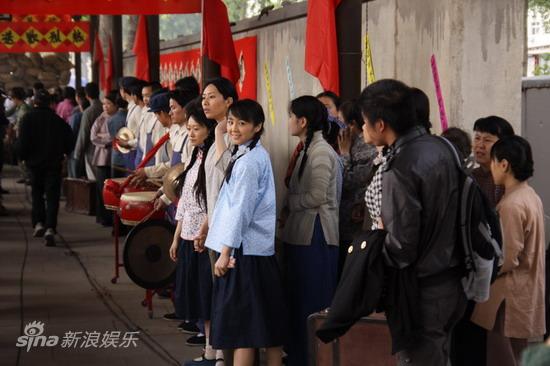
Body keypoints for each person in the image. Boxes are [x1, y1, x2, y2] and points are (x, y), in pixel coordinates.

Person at [359, 80, 465, 365]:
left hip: (421, 291)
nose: (362, 129)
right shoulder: (442, 147)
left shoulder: (400, 167)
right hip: (452, 281)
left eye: (364, 122)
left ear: (380, 124)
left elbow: (401, 246)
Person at [206, 99, 286, 366]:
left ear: (258, 126)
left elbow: (241, 209)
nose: (234, 128)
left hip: (245, 251)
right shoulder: (247, 153)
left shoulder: (251, 160)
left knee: (245, 329)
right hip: (253, 249)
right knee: (264, 326)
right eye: (231, 121)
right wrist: (220, 132)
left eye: (242, 123)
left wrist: (225, 251)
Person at [471, 136, 546, 366]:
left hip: (507, 297)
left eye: (494, 161)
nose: (491, 167)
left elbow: (507, 258)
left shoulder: (512, 204)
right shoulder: (529, 195)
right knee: (517, 356)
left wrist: (478, 272)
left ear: (504, 164)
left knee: (501, 357)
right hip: (523, 291)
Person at [279, 95, 341, 366]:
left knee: (312, 302)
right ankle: (297, 355)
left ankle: (313, 359)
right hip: (299, 234)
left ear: (302, 121)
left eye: (291, 116)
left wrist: (291, 202)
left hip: (316, 236)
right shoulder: (306, 148)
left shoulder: (321, 152)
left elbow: (317, 195)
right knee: (296, 299)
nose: (289, 121)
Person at [169, 101, 217, 363]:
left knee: (207, 295)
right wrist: (176, 237)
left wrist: (203, 232)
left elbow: (213, 201)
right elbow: (185, 203)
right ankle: (209, 348)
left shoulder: (213, 158)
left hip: (204, 237)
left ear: (209, 129)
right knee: (198, 296)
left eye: (196, 128)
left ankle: (215, 349)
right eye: (189, 128)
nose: (191, 133)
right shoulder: (196, 156)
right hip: (188, 235)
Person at [17, 89, 74, 246]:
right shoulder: (57, 120)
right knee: (52, 197)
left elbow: (22, 143)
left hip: (34, 165)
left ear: (35, 102)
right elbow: (70, 140)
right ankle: (50, 228)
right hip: (53, 164)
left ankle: (38, 223)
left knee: (37, 195)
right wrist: (64, 153)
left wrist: (22, 157)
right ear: (50, 103)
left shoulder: (27, 119)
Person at [336, 100, 377, 274]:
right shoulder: (351, 143)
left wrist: (344, 155)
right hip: (344, 222)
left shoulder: (366, 147)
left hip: (356, 223)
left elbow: (348, 182)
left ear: (352, 124)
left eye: (341, 122)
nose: (339, 129)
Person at [90, 90, 120, 226]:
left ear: (115, 105)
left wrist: (105, 137)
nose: (105, 106)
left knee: (114, 190)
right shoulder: (100, 118)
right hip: (102, 158)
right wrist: (109, 140)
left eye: (108, 104)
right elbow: (93, 137)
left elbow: (120, 137)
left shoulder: (119, 118)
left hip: (115, 159)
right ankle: (103, 217)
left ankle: (113, 218)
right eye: (104, 104)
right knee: (102, 189)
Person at [471, 116, 515, 207]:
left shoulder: (508, 181)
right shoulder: (471, 177)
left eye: (487, 140)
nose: (480, 145)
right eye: (477, 138)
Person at [74, 82, 103, 181]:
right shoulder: (105, 107)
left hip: (91, 151)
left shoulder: (88, 112)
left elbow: (84, 134)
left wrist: (77, 154)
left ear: (86, 95)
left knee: (94, 181)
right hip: (106, 151)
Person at [67, 88, 90, 178]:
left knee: (75, 176)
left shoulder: (76, 116)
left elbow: (71, 133)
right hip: (88, 149)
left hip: (75, 147)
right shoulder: (94, 112)